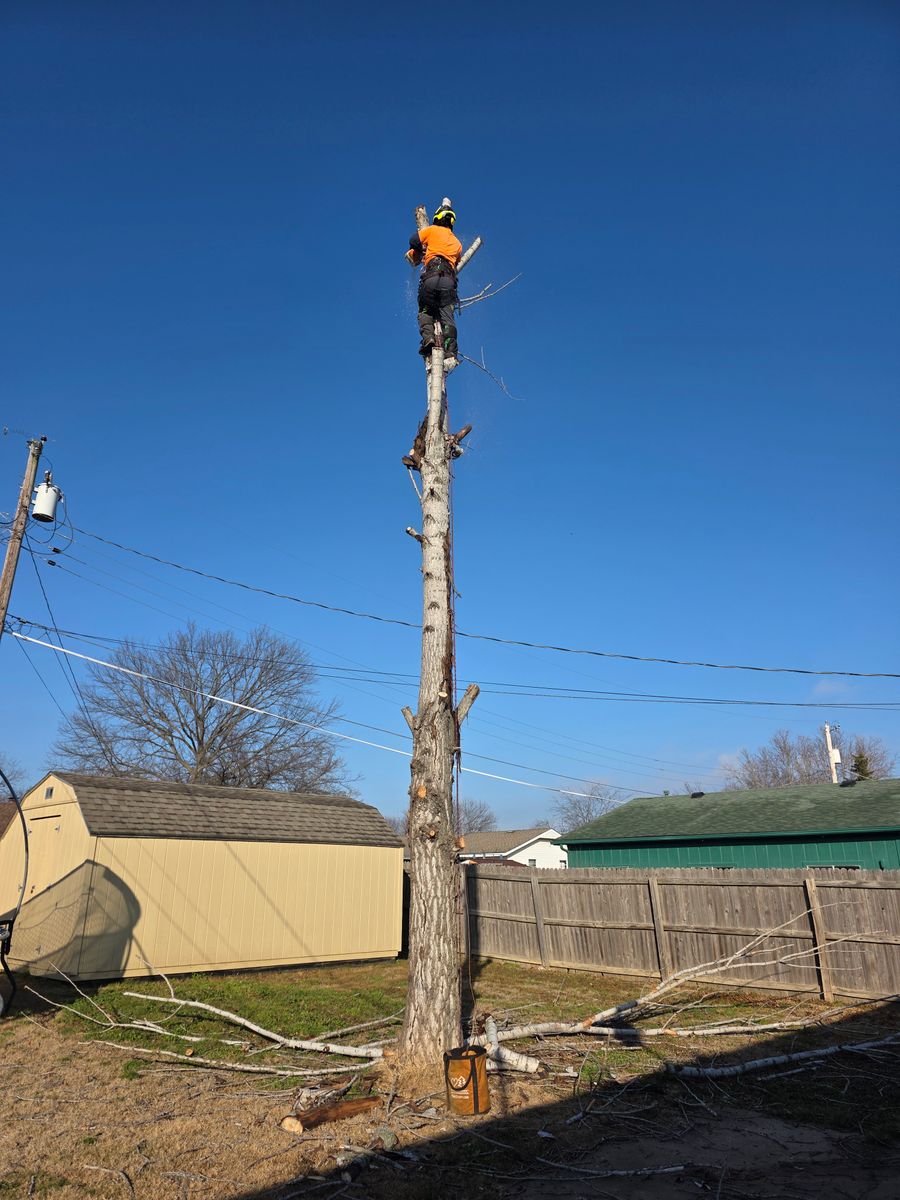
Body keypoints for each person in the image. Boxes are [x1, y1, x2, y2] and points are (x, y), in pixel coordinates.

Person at [406, 198, 462, 371]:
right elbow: (455, 262)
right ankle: (451, 353)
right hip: (448, 281)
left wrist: (421, 251)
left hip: (430, 277)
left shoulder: (431, 230)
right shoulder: (458, 244)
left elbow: (414, 239)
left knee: (425, 309)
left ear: (438, 217)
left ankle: (429, 338)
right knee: (447, 317)